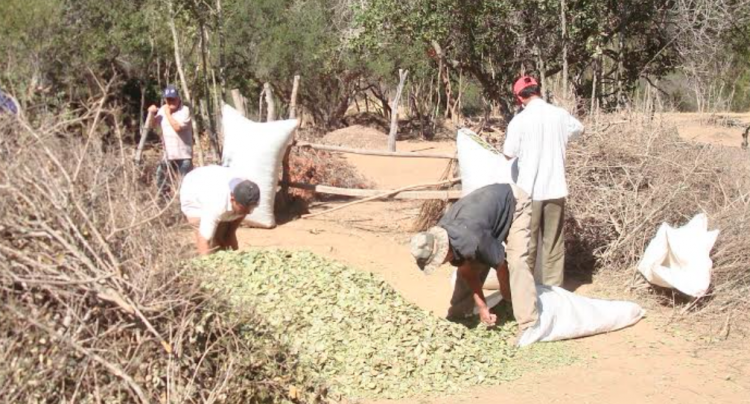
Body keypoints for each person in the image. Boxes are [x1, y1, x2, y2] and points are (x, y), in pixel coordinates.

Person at [409, 183, 538, 332]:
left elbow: (500, 264)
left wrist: (506, 293)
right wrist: (482, 306)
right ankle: (458, 317)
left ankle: (529, 324)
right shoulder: (442, 233)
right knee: (470, 265)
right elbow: (467, 272)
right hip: (484, 214)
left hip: (514, 203)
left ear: (444, 252)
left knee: (517, 262)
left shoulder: (472, 240)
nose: (439, 264)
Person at [503, 76, 584, 287]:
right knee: (554, 243)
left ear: (520, 97)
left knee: (526, 243)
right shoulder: (559, 115)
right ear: (538, 91)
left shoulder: (519, 121)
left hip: (528, 191)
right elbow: (578, 130)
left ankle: (526, 291)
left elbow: (508, 153)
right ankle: (553, 291)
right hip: (556, 188)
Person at [179, 165, 260, 255]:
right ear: (233, 199)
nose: (248, 212)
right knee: (210, 240)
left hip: (219, 183)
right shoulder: (216, 204)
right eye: (243, 209)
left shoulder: (251, 195)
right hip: (193, 190)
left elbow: (231, 232)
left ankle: (232, 261)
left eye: (251, 208)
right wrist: (206, 264)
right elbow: (204, 240)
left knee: (227, 234)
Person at [148, 85, 193, 197]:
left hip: (183, 156)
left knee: (185, 186)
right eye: (168, 99)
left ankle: (184, 207)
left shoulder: (185, 110)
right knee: (161, 180)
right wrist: (151, 114)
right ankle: (164, 202)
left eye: (173, 99)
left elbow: (177, 127)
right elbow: (153, 125)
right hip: (168, 155)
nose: (171, 102)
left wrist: (167, 114)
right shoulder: (163, 109)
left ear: (178, 98)